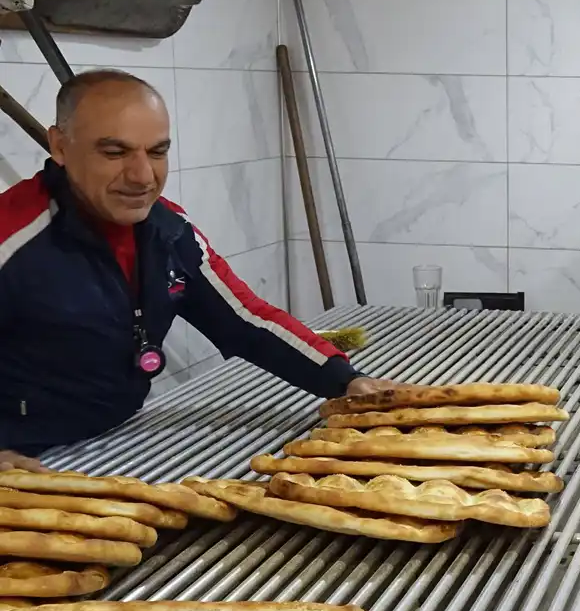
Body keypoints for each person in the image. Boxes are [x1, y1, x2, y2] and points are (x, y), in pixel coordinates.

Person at [0, 69, 400, 466]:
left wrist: (344, 380)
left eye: (157, 152)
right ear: (60, 146)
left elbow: (247, 321)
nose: (142, 176)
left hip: (113, 442)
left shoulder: (170, 233)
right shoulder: (11, 239)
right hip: (18, 460)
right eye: (115, 152)